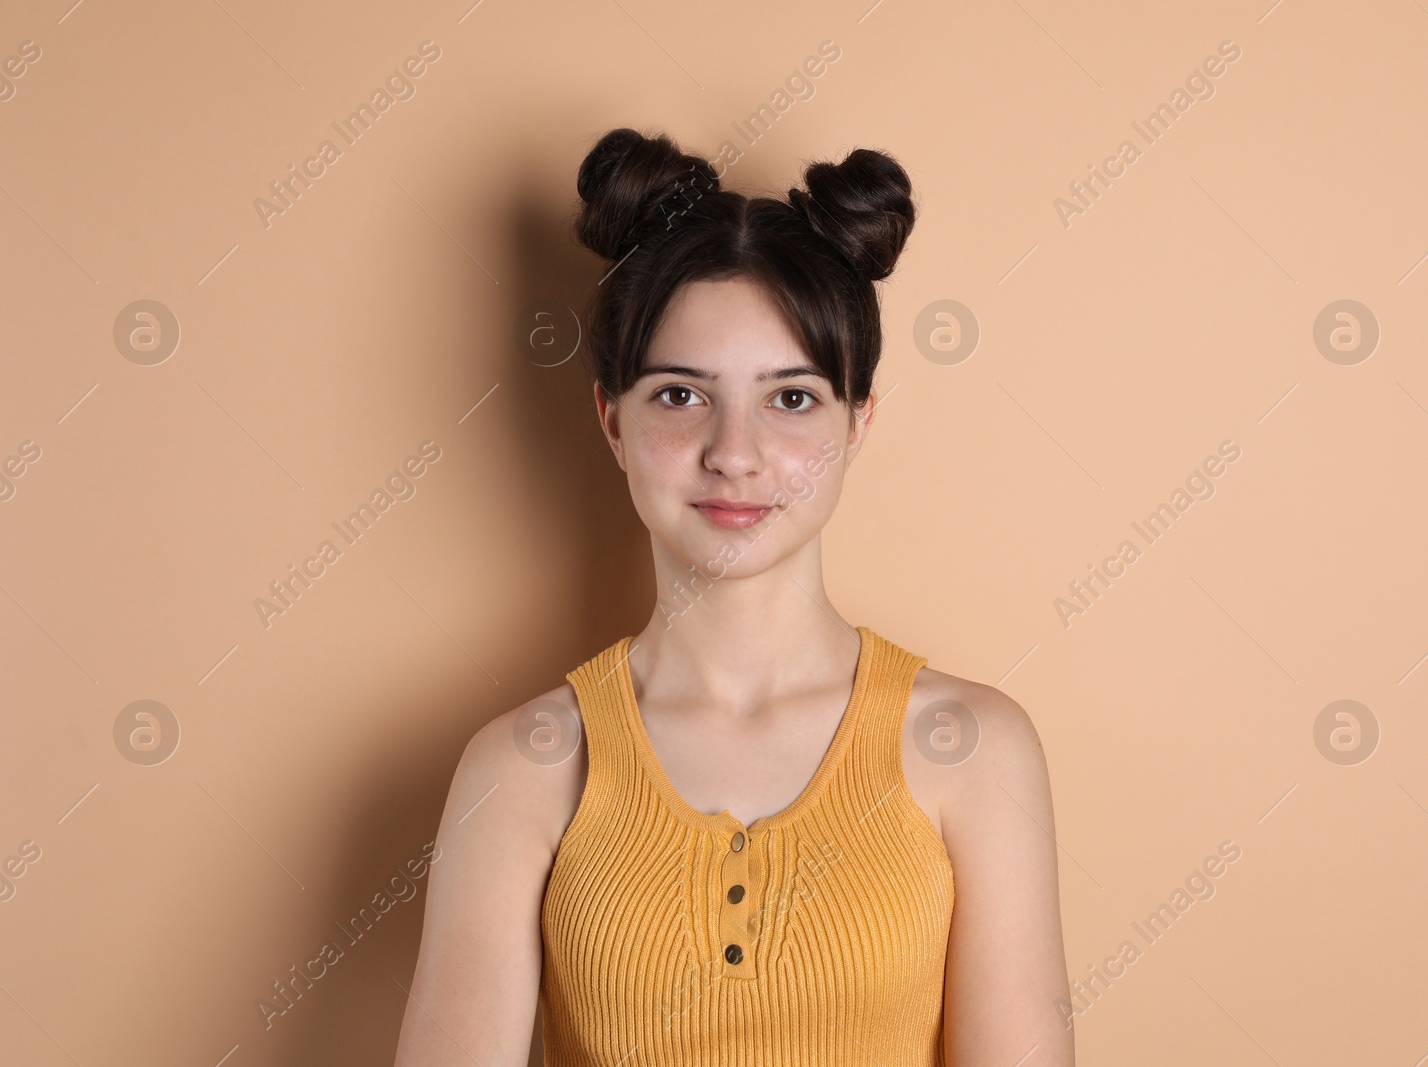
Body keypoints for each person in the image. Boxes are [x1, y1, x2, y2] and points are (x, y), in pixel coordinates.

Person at [393, 128, 1072, 1066]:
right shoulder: (521, 769)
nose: (736, 453)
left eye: (791, 399)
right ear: (612, 420)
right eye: (680, 395)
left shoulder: (973, 748)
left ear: (858, 420)